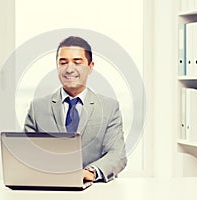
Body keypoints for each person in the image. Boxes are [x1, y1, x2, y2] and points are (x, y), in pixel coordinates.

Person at [24, 36, 127, 182]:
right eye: (63, 62)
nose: (69, 69)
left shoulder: (109, 107)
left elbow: (117, 154)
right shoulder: (37, 107)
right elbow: (28, 153)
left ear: (90, 67)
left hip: (93, 190)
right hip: (48, 188)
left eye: (77, 62)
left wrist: (90, 172)